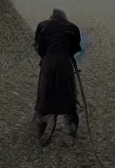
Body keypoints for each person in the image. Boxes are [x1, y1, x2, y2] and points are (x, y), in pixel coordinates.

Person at [34, 8, 82, 143]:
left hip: (48, 64)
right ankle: (71, 124)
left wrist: (46, 57)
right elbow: (74, 48)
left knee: (46, 93)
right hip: (65, 65)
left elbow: (39, 47)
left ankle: (44, 124)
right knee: (68, 93)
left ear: (51, 17)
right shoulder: (73, 27)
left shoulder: (42, 25)